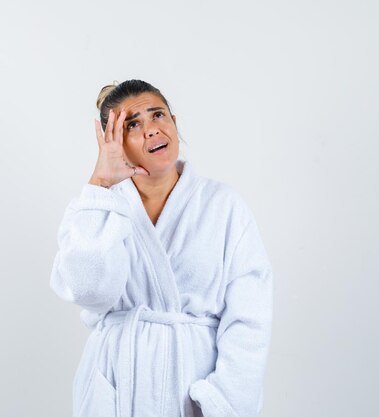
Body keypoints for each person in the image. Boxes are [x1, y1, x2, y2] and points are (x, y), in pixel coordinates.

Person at [49, 79, 273, 417]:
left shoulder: (223, 205)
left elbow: (250, 317)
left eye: (158, 115)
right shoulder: (97, 208)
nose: (151, 129)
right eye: (133, 124)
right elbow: (88, 290)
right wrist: (101, 186)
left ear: (174, 123)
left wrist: (222, 400)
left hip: (193, 388)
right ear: (115, 143)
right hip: (117, 386)